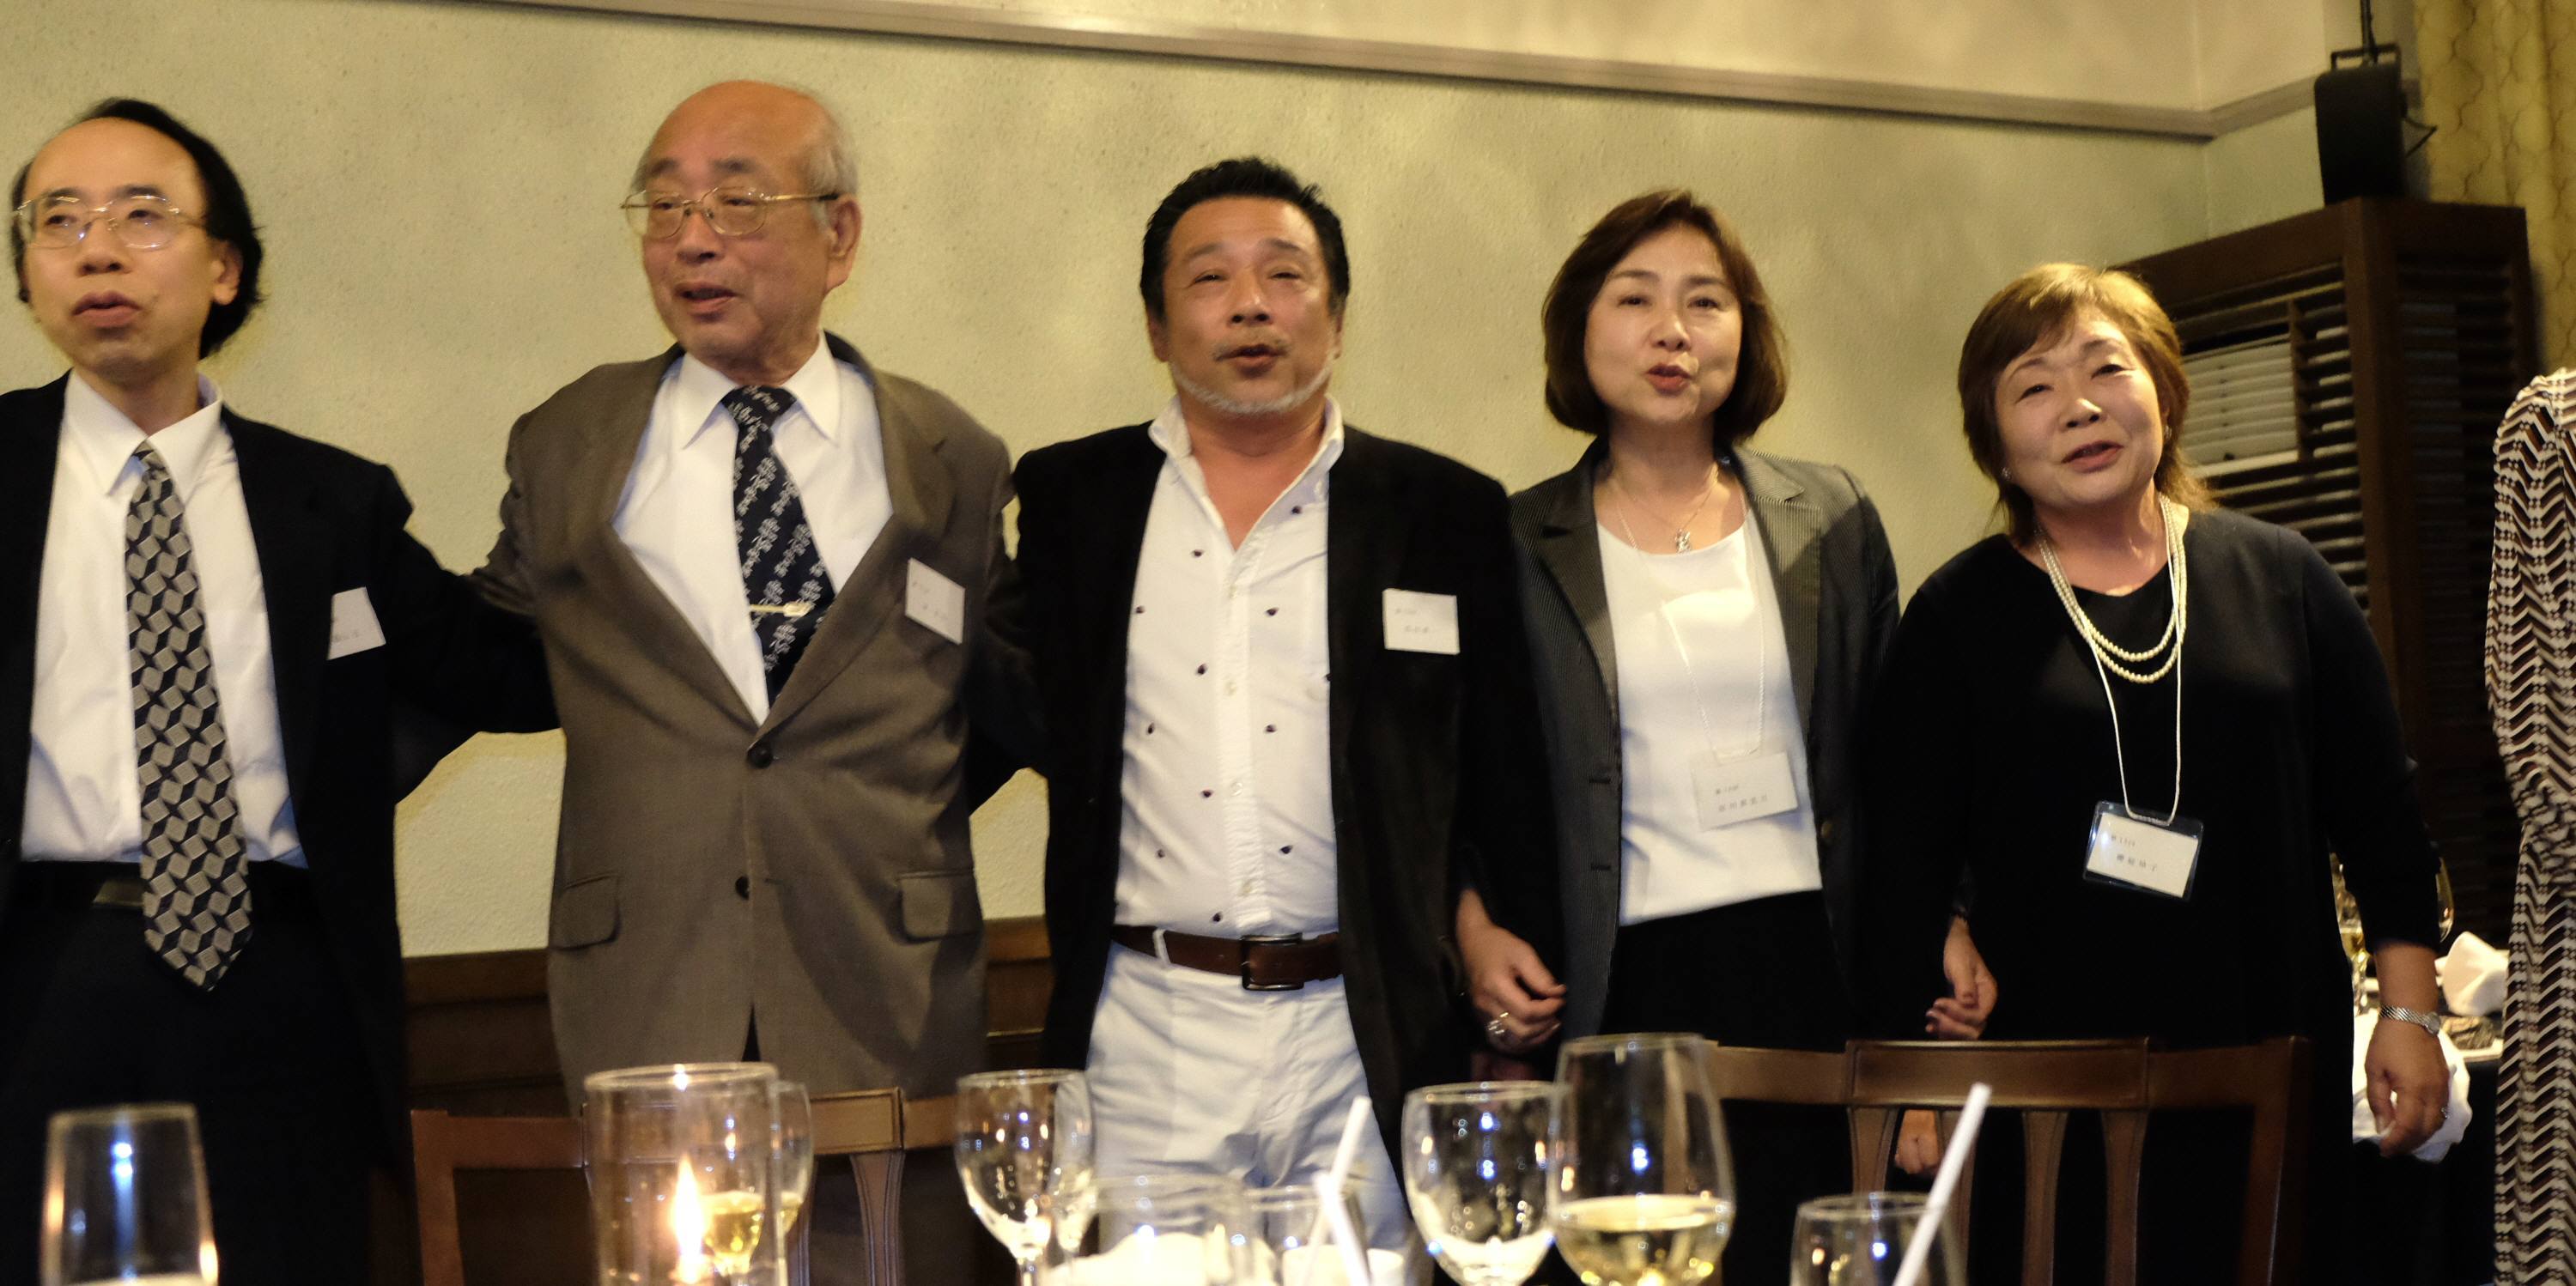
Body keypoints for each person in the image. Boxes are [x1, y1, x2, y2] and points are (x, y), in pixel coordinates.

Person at [467, 81, 1021, 1283]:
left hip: (890, 992)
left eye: (736, 203)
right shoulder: (569, 440)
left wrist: (874, 822)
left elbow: (988, 701)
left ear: (841, 234)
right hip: (651, 995)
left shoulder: (954, 459)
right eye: (664, 206)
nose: (692, 239)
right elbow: (482, 655)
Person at [0, 99, 550, 1283]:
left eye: (142, 216)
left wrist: (607, 511)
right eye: (59, 221)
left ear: (225, 268)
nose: (98, 250)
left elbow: (501, 670)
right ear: (29, 276)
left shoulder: (333, 504)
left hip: (278, 981)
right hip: (39, 974)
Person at [1863, 262, 2451, 1281]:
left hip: (2269, 1057)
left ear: (2165, 396)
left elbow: (2384, 822)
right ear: (1995, 445)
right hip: (2044, 1091)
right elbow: (1905, 858)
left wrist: (2410, 1017)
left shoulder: (2284, 577)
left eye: (2107, 369)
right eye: (2035, 386)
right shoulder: (1956, 616)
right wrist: (1916, 1071)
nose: (2080, 406)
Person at [1002, 156, 1552, 1245]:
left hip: (1364, 1022)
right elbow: (1003, 710)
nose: (1251, 304)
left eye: (1286, 275)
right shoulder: (1074, 501)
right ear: (1156, 326)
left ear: (1337, 317)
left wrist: (1484, 930)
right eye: (1210, 278)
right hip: (1148, 1024)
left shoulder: (1441, 510)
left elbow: (1492, 767)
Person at [1449, 188, 1951, 1281]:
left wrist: (1941, 929)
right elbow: (1465, 778)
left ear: (1745, 333)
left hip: (1812, 968)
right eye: (1635, 299)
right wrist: (1473, 926)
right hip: (1620, 977)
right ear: (1580, 331)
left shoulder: (1834, 517)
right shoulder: (1512, 542)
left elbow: (1904, 768)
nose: (1671, 331)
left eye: (1705, 302)